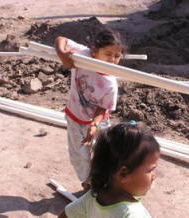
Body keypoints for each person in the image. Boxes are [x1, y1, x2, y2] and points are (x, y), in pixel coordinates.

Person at [55, 28, 125, 190]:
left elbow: (102, 108)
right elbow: (61, 38)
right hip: (74, 117)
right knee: (79, 156)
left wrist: (94, 125)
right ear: (94, 51)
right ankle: (87, 183)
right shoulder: (83, 55)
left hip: (98, 122)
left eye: (117, 56)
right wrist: (62, 54)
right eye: (108, 54)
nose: (112, 61)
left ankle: (101, 183)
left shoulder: (110, 84)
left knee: (102, 154)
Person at [58, 121, 160, 218]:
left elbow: (65, 215)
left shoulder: (93, 197)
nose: (154, 176)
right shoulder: (133, 214)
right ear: (123, 174)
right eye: (150, 170)